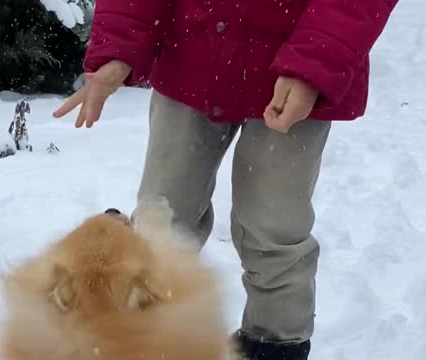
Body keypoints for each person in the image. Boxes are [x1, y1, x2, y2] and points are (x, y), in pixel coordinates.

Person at [52, 1, 398, 359]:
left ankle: (273, 346)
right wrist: (118, 46)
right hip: (193, 58)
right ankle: (143, 336)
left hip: (297, 77)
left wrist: (314, 62)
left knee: (274, 230)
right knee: (164, 218)